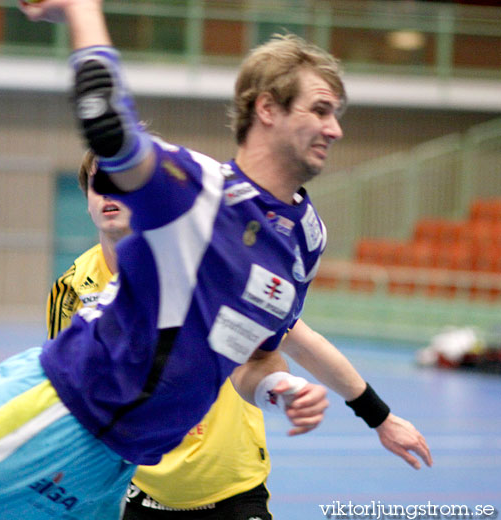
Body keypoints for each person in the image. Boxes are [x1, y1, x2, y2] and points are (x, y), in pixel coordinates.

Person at [0, 2, 425, 519]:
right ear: (267, 109)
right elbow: (108, 124)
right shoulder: (197, 189)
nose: (335, 128)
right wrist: (81, 10)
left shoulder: (304, 238)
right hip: (53, 413)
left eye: (337, 113)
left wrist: (280, 386)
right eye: (320, 109)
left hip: (113, 463)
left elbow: (247, 356)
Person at [50, 152, 432, 520]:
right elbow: (70, 396)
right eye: (100, 184)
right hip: (140, 494)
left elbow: (300, 341)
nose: (111, 193)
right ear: (86, 199)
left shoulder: (207, 266)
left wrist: (379, 416)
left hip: (233, 492)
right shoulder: (72, 290)